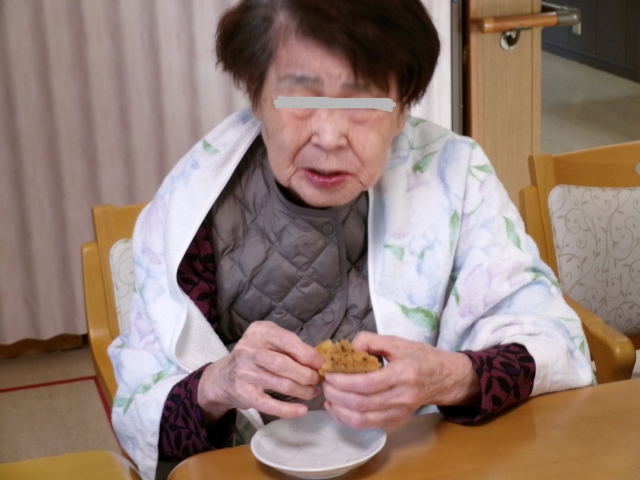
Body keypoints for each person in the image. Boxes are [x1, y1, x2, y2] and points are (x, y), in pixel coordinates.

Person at [108, 1, 594, 479]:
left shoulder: (455, 176)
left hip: (423, 463)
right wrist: (217, 384)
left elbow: (551, 345)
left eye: (363, 103)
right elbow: (142, 414)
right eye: (300, 99)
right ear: (256, 96)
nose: (329, 135)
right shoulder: (192, 206)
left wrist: (445, 378)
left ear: (402, 109)